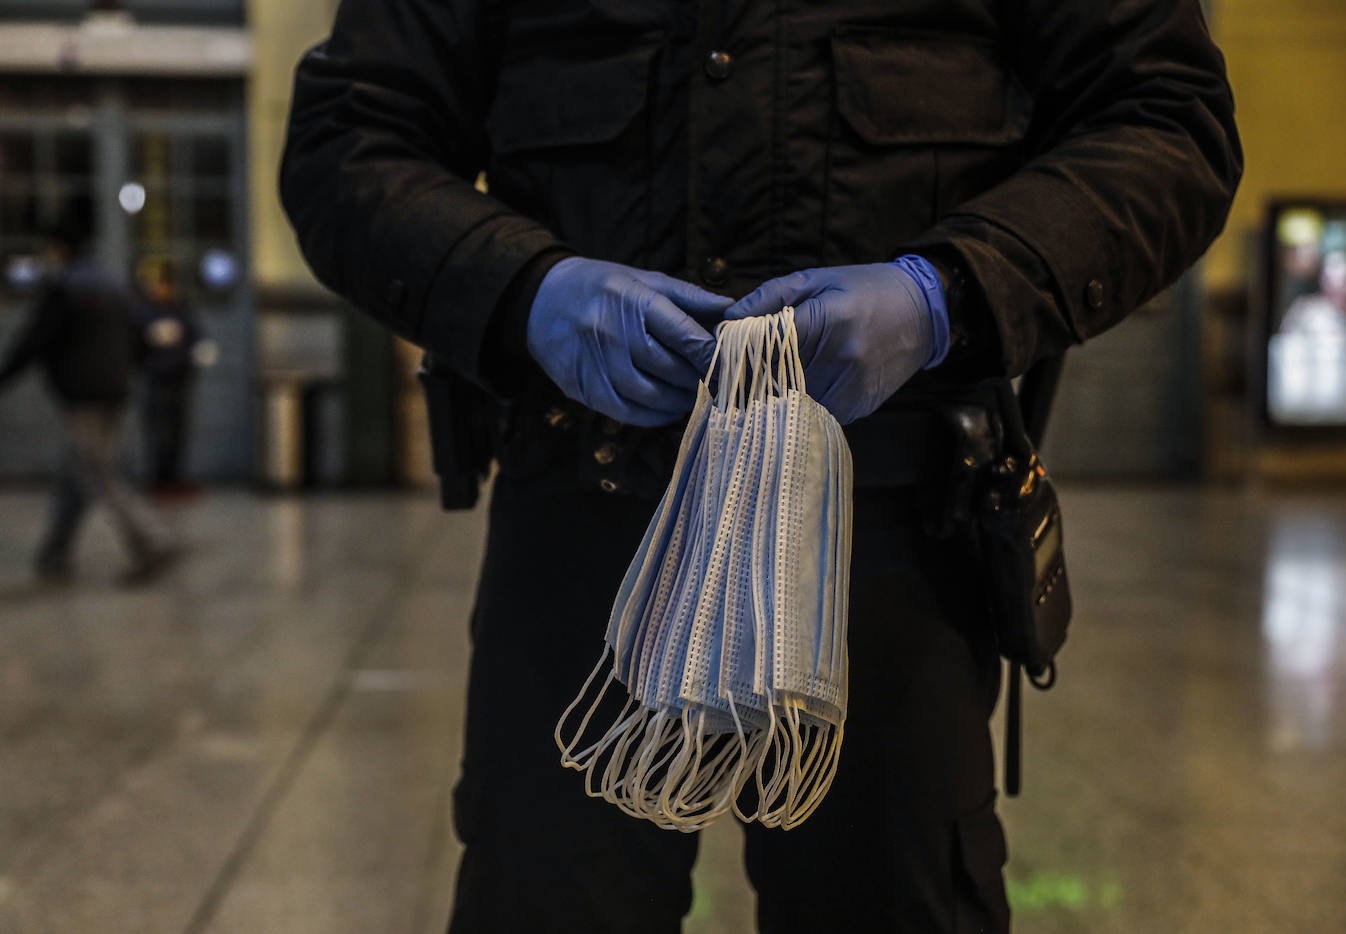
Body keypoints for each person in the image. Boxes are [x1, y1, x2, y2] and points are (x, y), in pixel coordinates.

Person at [280, 3, 1242, 932]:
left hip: (898, 537)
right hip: (583, 529)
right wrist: (525, 290)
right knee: (549, 897)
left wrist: (943, 295)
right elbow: (348, 139)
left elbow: (1168, 123)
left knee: (897, 902)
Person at [0, 213, 177, 583]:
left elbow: (34, 341)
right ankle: (54, 553)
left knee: (98, 473)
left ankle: (151, 542)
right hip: (114, 390)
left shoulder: (65, 288)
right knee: (78, 469)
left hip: (84, 394)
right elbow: (142, 337)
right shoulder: (113, 284)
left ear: (59, 247)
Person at [134, 258, 203, 495]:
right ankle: (158, 478)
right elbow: (134, 344)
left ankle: (174, 477)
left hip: (180, 377)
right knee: (158, 430)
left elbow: (195, 337)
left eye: (166, 285)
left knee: (178, 430)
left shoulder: (181, 310)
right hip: (156, 378)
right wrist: (149, 339)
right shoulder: (144, 311)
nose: (162, 290)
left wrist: (197, 352)